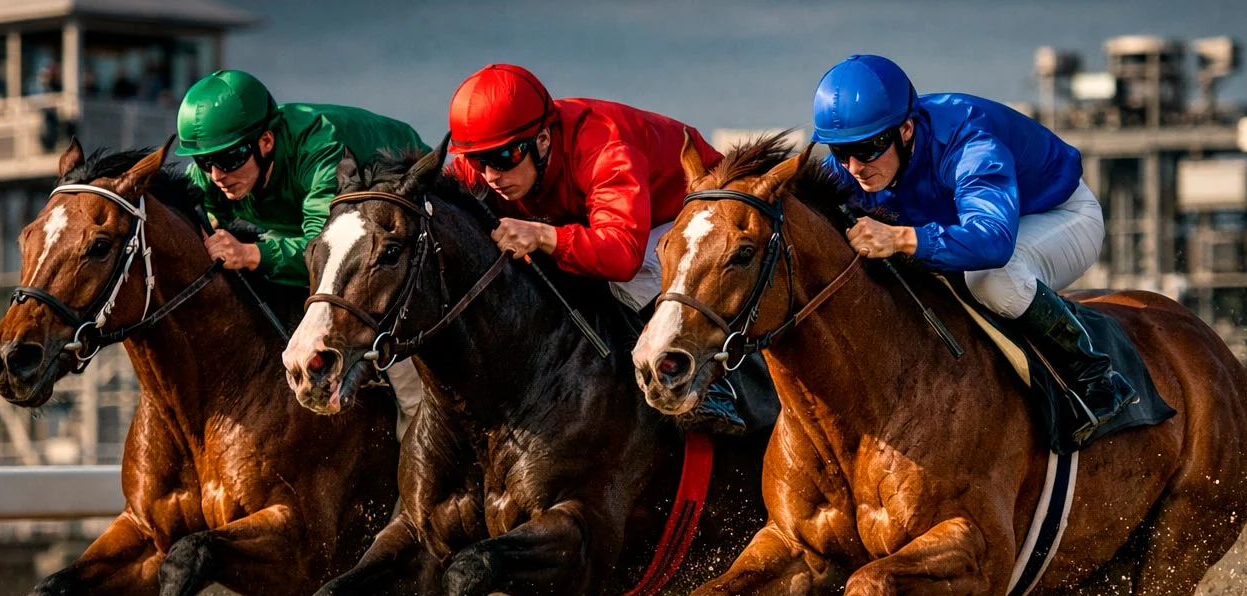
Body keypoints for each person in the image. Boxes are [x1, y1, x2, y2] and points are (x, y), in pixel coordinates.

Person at [812, 54, 1134, 444]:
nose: (854, 167)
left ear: (906, 130)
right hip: (977, 231)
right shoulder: (852, 164)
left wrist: (898, 239)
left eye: (867, 149)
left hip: (1059, 216)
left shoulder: (969, 142)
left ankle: (1095, 378)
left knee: (988, 279)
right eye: (840, 152)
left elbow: (993, 242)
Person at [443, 63, 752, 435]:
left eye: (505, 157)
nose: (491, 175)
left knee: (635, 276)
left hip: (682, 214)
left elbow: (621, 255)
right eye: (479, 161)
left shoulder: (606, 146)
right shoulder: (490, 163)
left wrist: (542, 235)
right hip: (606, 219)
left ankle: (715, 387)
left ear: (543, 140)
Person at [175, 70, 428, 435]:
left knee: (408, 382)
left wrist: (250, 253)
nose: (216, 174)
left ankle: (418, 440)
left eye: (229, 158)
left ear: (265, 141)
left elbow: (322, 257)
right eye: (204, 161)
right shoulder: (214, 173)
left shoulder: (320, 149)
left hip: (389, 222)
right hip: (318, 225)